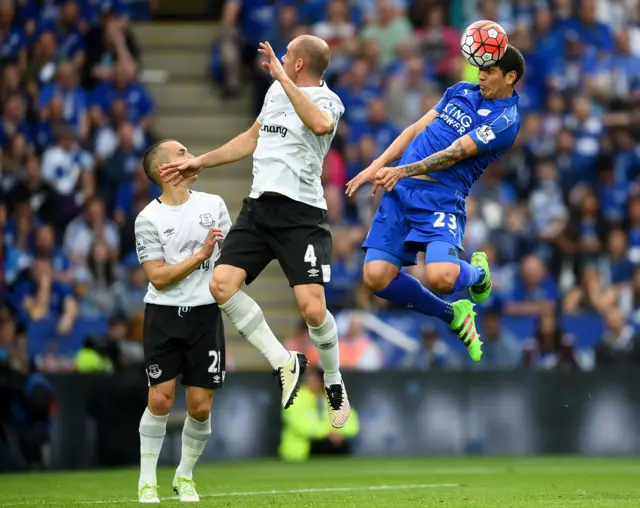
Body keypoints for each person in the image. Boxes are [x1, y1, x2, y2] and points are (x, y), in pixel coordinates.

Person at [160, 36, 350, 428]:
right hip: (259, 207)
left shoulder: (329, 101)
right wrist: (202, 162)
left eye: (286, 56)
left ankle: (333, 379)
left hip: (302, 214)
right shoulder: (275, 94)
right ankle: (284, 361)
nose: (280, 59)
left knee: (313, 310)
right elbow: (251, 139)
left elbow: (319, 124)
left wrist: (281, 78)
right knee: (221, 284)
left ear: (298, 64)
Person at [346, 45, 526, 363]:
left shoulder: (505, 121)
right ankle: (453, 315)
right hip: (403, 192)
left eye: (489, 71)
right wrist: (378, 163)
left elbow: (455, 152)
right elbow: (416, 129)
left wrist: (400, 170)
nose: (481, 76)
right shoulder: (459, 91)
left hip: (441, 197)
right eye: (480, 69)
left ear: (510, 77)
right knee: (375, 277)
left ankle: (479, 276)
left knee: (441, 277)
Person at [134, 139, 230, 503]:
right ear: (165, 170)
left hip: (205, 314)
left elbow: (228, 256)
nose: (191, 157)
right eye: (182, 154)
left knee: (200, 406)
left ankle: (184, 475)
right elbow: (157, 277)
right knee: (160, 398)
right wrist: (202, 254)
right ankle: (146, 480)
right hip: (164, 315)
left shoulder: (213, 205)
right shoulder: (148, 219)